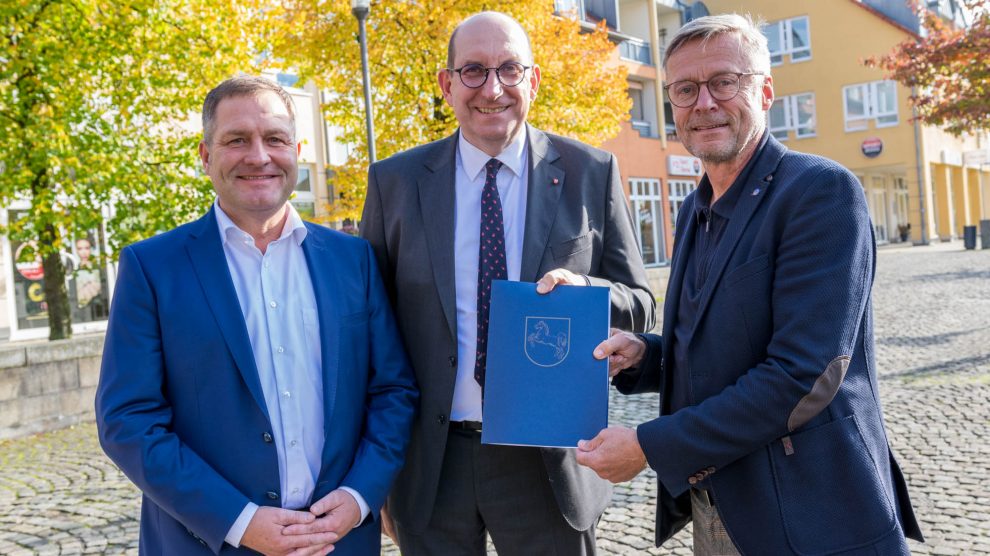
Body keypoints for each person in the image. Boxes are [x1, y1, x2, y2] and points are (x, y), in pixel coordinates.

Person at [577, 14, 924, 555]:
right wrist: (645, 355)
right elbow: (725, 346)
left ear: (764, 90)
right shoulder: (695, 206)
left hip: (812, 516)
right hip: (719, 506)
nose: (704, 103)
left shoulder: (820, 193)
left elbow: (801, 374)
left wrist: (648, 444)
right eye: (686, 89)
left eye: (724, 82)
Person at [360, 11, 655, 555]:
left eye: (509, 70)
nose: (492, 89)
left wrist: (588, 290)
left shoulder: (592, 171)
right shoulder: (394, 183)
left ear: (533, 80)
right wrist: (371, 472)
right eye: (473, 71)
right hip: (431, 462)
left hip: (549, 456)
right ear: (447, 84)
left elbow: (640, 302)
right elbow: (369, 330)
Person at [96, 76, 418, 555]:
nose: (259, 156)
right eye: (236, 140)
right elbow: (127, 419)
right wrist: (238, 521)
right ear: (206, 156)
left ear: (296, 150)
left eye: (275, 139)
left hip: (338, 541)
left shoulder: (354, 261)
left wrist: (358, 496)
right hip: (207, 543)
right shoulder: (152, 268)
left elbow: (392, 391)